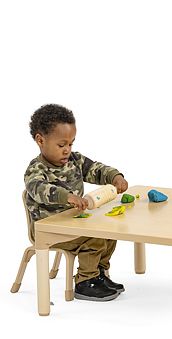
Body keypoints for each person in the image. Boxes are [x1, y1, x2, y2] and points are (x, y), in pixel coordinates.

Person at [24, 104, 128, 302]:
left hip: (73, 221)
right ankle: (84, 282)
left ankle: (99, 274)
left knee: (110, 233)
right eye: (61, 145)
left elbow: (96, 169)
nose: (67, 150)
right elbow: (39, 189)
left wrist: (115, 176)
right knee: (93, 239)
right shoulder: (36, 170)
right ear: (40, 140)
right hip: (48, 229)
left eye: (71, 144)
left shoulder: (74, 160)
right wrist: (68, 196)